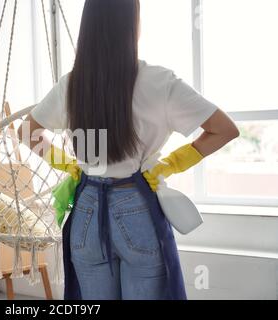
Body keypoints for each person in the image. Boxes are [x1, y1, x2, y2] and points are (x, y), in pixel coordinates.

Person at [18, 0, 239, 300]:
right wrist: (172, 164)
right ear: (132, 24)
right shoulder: (161, 82)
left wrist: (69, 164)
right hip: (135, 207)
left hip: (86, 211)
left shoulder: (71, 84)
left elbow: (27, 132)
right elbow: (224, 129)